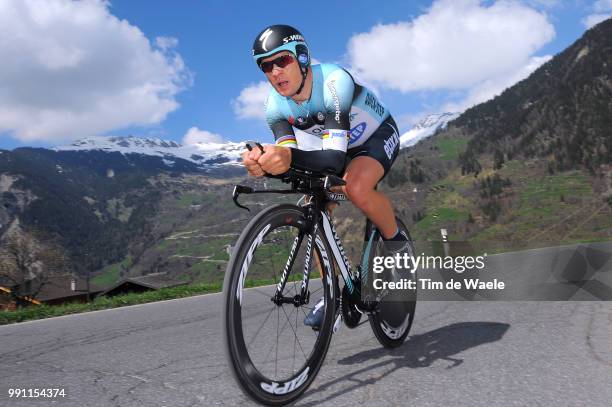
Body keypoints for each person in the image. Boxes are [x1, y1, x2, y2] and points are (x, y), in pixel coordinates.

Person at [242, 25, 408, 329]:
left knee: (356, 188)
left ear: (302, 57)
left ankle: (399, 248)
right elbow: (290, 156)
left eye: (282, 61)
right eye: (266, 66)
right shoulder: (274, 106)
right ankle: (333, 291)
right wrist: (265, 162)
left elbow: (331, 159)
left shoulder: (334, 81)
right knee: (312, 205)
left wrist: (287, 158)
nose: (275, 71)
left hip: (375, 135)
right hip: (338, 147)